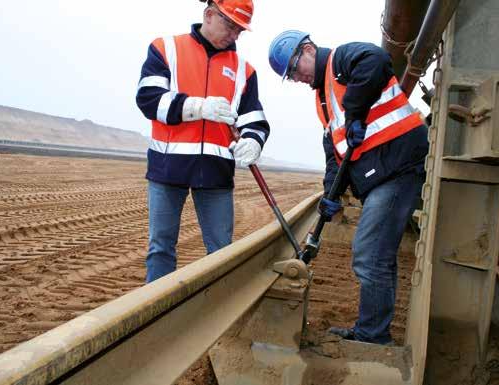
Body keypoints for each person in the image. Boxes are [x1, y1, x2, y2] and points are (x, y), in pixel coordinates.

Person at [268, 31, 427, 345]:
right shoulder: (323, 100)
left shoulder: (341, 59)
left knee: (368, 255)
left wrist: (355, 114)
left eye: (295, 67)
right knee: (379, 256)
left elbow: (378, 60)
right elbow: (335, 153)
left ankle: (372, 337)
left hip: (398, 167)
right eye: (291, 75)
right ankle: (374, 331)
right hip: (381, 175)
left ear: (309, 49)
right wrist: (331, 196)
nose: (297, 77)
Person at [136, 0, 270, 283]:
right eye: (230, 25)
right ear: (209, 15)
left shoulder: (245, 71)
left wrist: (254, 141)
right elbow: (148, 99)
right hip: (167, 168)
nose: (234, 35)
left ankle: (216, 311)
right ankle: (154, 317)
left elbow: (254, 120)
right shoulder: (166, 49)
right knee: (160, 248)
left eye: (240, 30)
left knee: (221, 251)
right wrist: (196, 107)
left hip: (215, 174)